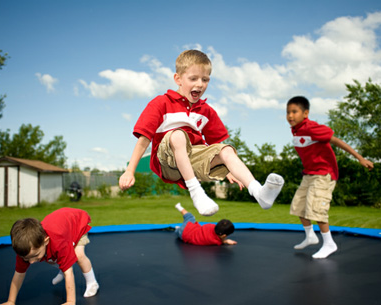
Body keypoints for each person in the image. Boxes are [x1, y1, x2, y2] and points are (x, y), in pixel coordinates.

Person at [119, 49, 284, 216]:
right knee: (178, 135)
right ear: (178, 79)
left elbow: (216, 146)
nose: (200, 84)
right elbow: (144, 138)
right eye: (193, 79)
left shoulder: (206, 111)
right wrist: (130, 170)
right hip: (166, 161)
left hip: (192, 159)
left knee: (226, 149)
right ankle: (197, 193)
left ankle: (259, 192)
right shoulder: (161, 103)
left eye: (205, 80)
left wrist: (228, 169)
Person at [286, 96, 374, 259]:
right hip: (309, 174)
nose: (290, 116)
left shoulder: (312, 128)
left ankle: (329, 243)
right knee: (299, 206)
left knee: (318, 210)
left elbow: (336, 141)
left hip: (323, 174)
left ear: (305, 113)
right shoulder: (296, 130)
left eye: (294, 112)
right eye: (288, 112)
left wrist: (360, 158)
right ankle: (310, 236)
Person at [0, 207, 99, 305]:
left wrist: (70, 301)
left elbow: (69, 273)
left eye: (35, 255)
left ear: (46, 241)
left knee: (78, 255)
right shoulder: (25, 250)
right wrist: (10, 301)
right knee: (48, 256)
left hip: (77, 222)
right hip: (61, 225)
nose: (31, 262)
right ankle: (61, 266)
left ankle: (92, 282)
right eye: (26, 258)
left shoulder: (59, 242)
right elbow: (18, 274)